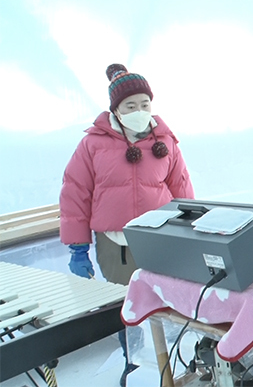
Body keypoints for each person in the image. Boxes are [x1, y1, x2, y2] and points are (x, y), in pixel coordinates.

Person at [59, 63, 195, 386]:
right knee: (124, 308)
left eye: (144, 104)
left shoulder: (166, 142)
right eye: (130, 106)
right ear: (116, 110)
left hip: (158, 241)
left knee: (169, 302)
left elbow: (183, 191)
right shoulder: (93, 145)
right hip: (114, 244)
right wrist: (79, 247)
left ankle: (174, 361)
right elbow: (75, 192)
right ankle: (132, 364)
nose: (139, 111)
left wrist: (190, 236)